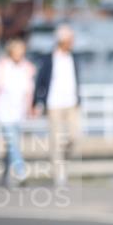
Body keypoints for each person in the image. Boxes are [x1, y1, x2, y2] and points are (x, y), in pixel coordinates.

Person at [33, 24, 81, 186]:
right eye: (71, 39)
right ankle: (59, 174)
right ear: (62, 40)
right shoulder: (49, 59)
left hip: (72, 104)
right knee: (56, 140)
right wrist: (35, 102)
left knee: (74, 137)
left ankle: (63, 163)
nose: (73, 42)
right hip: (54, 104)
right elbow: (40, 81)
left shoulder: (73, 58)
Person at [0, 38, 36, 187]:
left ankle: (4, 176)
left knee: (11, 145)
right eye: (17, 51)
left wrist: (30, 108)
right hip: (4, 111)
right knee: (13, 143)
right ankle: (21, 172)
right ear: (11, 52)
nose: (20, 54)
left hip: (18, 112)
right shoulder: (2, 67)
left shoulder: (26, 68)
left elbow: (29, 91)